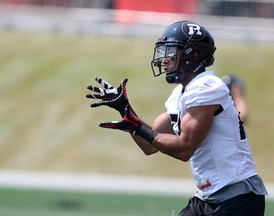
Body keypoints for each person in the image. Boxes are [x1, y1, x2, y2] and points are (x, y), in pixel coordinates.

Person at [86, 21, 267, 215]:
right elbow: (150, 145)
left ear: (194, 55)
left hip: (237, 198)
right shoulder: (180, 95)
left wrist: (137, 126)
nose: (165, 59)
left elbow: (184, 148)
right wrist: (125, 109)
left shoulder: (207, 86)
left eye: (172, 51)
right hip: (209, 198)